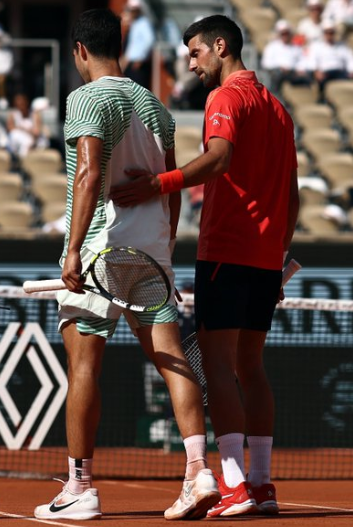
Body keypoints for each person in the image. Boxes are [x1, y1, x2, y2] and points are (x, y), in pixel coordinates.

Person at [111, 14, 300, 517]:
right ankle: (260, 484)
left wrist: (158, 184)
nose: (190, 63)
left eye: (195, 53)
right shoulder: (278, 108)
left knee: (218, 365)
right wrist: (278, 253)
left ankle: (234, 484)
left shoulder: (226, 98)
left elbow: (217, 157)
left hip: (226, 250)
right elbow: (293, 195)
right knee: (251, 367)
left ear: (221, 46)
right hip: (263, 257)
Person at [33, 9, 219, 522]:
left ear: (79, 51)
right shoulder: (156, 105)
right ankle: (199, 469)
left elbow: (90, 173)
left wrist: (72, 249)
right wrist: (165, 245)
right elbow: (175, 182)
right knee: (169, 354)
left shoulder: (86, 96)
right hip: (152, 247)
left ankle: (80, 487)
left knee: (83, 365)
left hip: (99, 248)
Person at [300, 20, 353, 93]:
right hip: (325, 73)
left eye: (331, 32)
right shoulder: (316, 46)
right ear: (323, 33)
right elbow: (311, 60)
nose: (329, 35)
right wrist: (316, 71)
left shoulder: (342, 46)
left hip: (339, 72)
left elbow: (351, 59)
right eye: (327, 32)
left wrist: (352, 71)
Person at [260, 20, 308, 95]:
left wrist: (299, 69)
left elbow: (302, 61)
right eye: (283, 34)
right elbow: (266, 63)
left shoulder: (296, 47)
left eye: (287, 33)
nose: (285, 36)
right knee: (277, 75)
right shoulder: (271, 47)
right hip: (278, 72)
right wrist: (280, 67)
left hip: (293, 73)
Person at [121, 0, 155, 89]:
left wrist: (141, 58)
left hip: (138, 64)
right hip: (131, 64)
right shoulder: (135, 24)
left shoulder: (144, 23)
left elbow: (150, 40)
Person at [6, 92, 46, 160]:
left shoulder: (35, 114)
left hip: (34, 140)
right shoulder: (12, 115)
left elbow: (37, 132)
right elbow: (10, 129)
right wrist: (25, 130)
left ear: (27, 102)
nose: (21, 106)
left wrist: (27, 131)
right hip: (18, 141)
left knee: (28, 142)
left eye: (22, 103)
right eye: (18, 104)